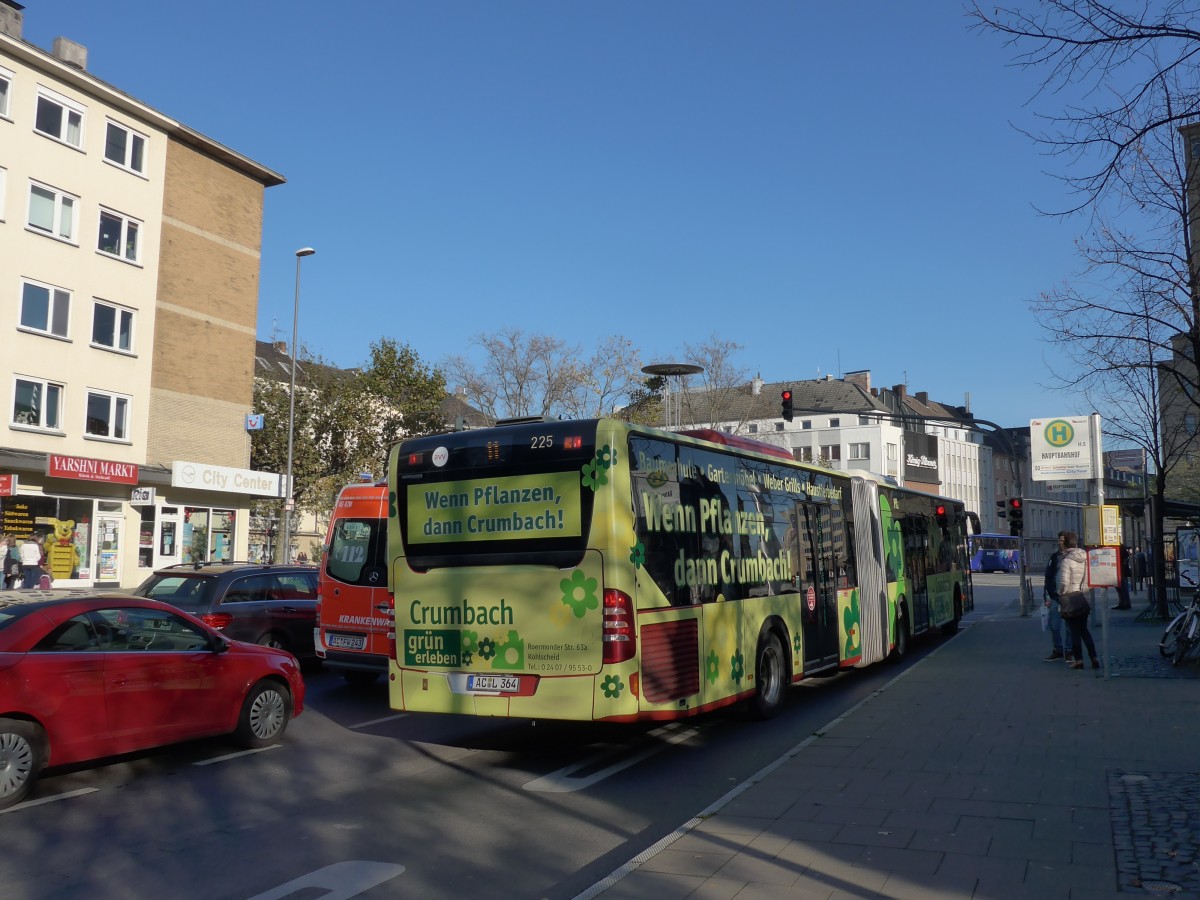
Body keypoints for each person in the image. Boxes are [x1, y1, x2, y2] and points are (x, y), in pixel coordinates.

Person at [1058, 531, 1099, 670]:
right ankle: (1094, 656)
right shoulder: (1085, 557)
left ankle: (1079, 660)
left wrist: (1060, 594)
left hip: (1070, 598)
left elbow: (1064, 582)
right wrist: (1083, 593)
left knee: (1074, 631)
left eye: (1061, 541)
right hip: (1082, 598)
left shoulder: (1066, 561)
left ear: (1065, 544)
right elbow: (1088, 579)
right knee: (1084, 630)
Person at [1043, 532, 1067, 661]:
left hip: (1070, 596)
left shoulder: (1073, 557)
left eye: (1063, 540)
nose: (1060, 543)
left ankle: (1069, 650)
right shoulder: (1054, 557)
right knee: (1054, 625)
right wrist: (1048, 593)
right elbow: (1048, 575)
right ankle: (1058, 649)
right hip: (1055, 596)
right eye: (1059, 540)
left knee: (1070, 626)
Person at [1113, 544, 1132, 609]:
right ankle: (1122, 602)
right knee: (1119, 588)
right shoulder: (1120, 546)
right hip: (1119, 570)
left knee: (1122, 587)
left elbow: (1124, 559)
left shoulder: (1119, 547)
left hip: (1121, 570)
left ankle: (1125, 603)